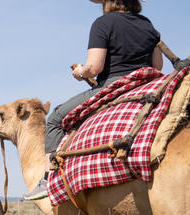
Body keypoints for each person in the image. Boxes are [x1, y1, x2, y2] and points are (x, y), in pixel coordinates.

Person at [23, 0, 162, 200]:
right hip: (146, 85)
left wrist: (81, 72)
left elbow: (94, 67)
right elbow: (157, 66)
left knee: (55, 118)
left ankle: (49, 178)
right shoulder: (148, 25)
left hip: (114, 86)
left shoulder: (103, 23)